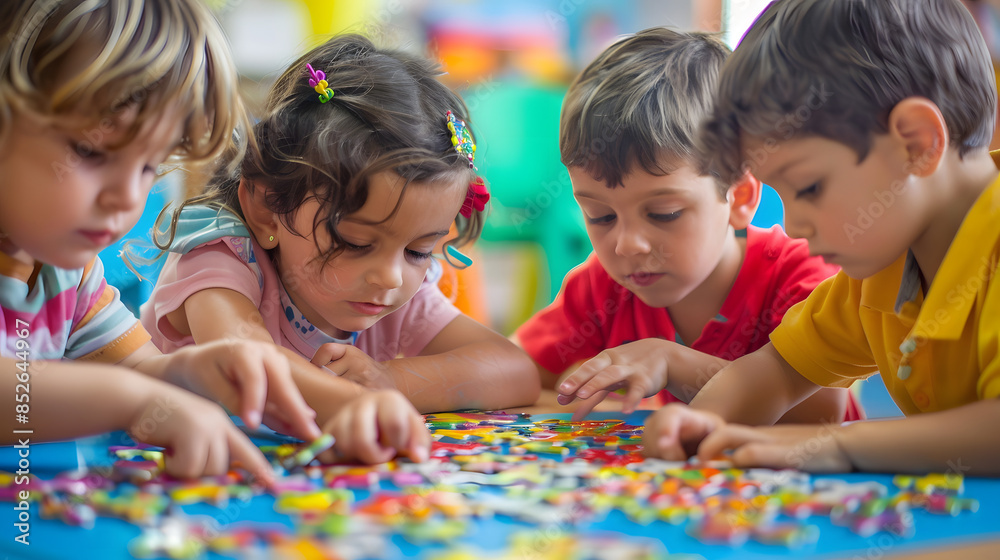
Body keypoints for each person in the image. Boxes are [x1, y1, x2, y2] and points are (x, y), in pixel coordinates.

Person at [642, 0, 1000, 476]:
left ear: (916, 144)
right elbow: (778, 370)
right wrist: (700, 421)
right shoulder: (881, 270)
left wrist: (839, 445)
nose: (792, 225)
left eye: (808, 187)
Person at [0, 0, 328, 483]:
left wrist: (194, 372)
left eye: (148, 165)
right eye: (91, 151)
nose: (127, 197)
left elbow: (137, 367)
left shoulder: (72, 274)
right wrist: (135, 401)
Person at [141, 34, 539, 415]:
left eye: (418, 251)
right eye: (354, 242)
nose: (390, 276)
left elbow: (514, 370)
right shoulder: (220, 259)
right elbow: (246, 365)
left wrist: (391, 381)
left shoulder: (389, 290)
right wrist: (351, 399)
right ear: (267, 209)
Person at [513, 27, 856, 422]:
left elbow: (819, 415)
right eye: (600, 216)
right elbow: (515, 369)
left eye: (664, 213)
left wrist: (672, 362)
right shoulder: (601, 289)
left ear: (740, 195)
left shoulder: (799, 275)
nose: (627, 245)